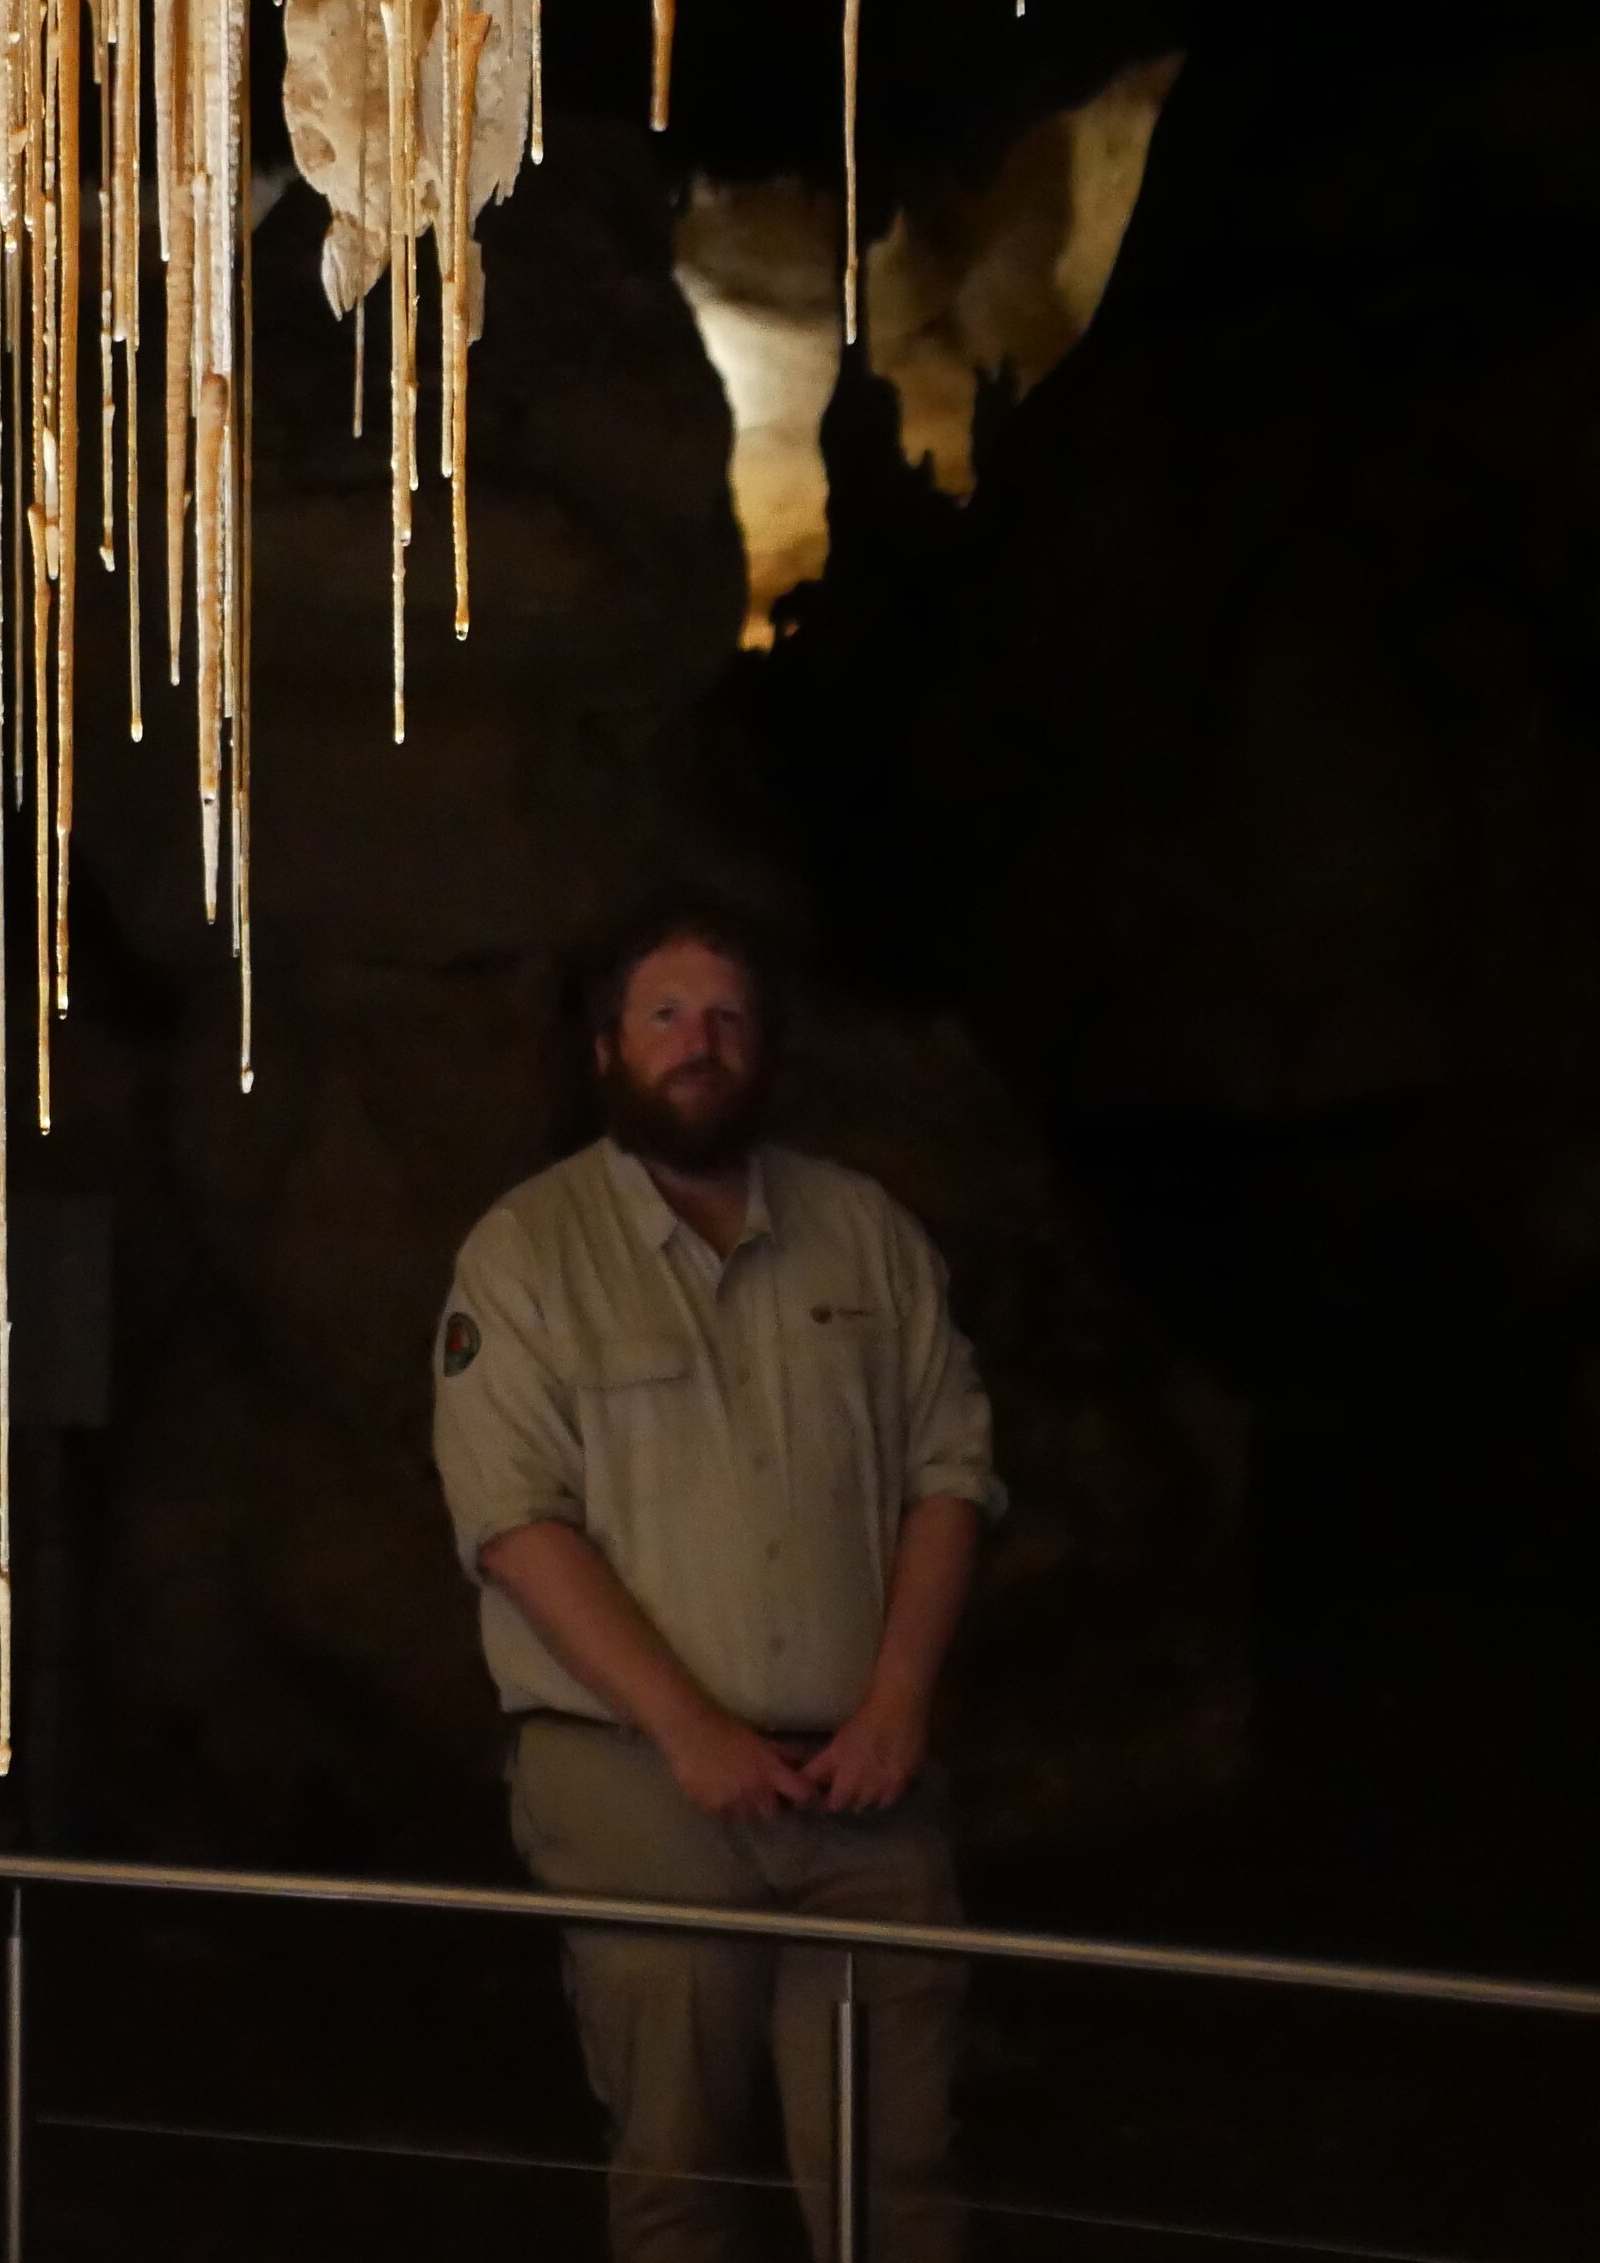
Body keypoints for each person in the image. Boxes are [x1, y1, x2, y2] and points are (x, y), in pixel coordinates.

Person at [430, 897, 1003, 2263]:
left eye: (730, 1016)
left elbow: (950, 1470)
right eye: (669, 1014)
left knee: (903, 2177)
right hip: (640, 1781)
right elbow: (514, 1520)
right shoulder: (526, 1254)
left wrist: (898, 1702)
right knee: (679, 2169)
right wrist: (692, 1733)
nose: (702, 1042)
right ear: (607, 1048)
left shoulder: (865, 1234)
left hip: (862, 1779)